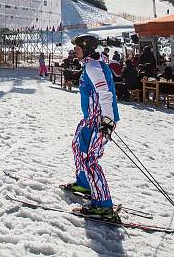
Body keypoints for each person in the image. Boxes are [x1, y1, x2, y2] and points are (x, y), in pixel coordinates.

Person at [65, 34, 120, 221]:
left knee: (91, 161)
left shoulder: (93, 67)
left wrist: (107, 120)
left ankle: (103, 205)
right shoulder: (90, 65)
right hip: (90, 119)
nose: (75, 51)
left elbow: (105, 94)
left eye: (78, 48)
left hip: (99, 122)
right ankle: (84, 183)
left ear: (87, 49)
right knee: (77, 146)